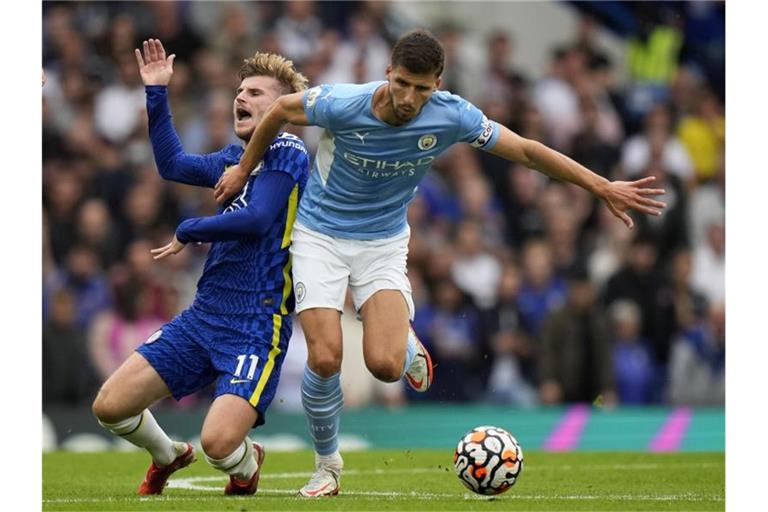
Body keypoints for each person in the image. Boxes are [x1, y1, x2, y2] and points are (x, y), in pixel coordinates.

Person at [214, 29, 667, 497]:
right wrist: (243, 169)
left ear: (438, 84)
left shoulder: (453, 115)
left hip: (382, 242)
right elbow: (281, 112)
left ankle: (403, 345)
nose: (410, 98)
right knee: (326, 356)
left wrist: (602, 186)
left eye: (422, 88)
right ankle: (327, 465)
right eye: (403, 83)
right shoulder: (341, 102)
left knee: (386, 368)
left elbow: (529, 151)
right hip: (319, 236)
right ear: (388, 73)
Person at [91, 39, 309, 496]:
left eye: (256, 93)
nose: (241, 98)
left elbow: (258, 219)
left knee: (218, 445)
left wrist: (190, 228)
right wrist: (155, 91)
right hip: (204, 316)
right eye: (240, 91)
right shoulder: (233, 159)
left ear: (283, 108)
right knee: (109, 406)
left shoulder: (289, 150)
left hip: (256, 323)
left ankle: (247, 463)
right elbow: (171, 164)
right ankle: (167, 453)